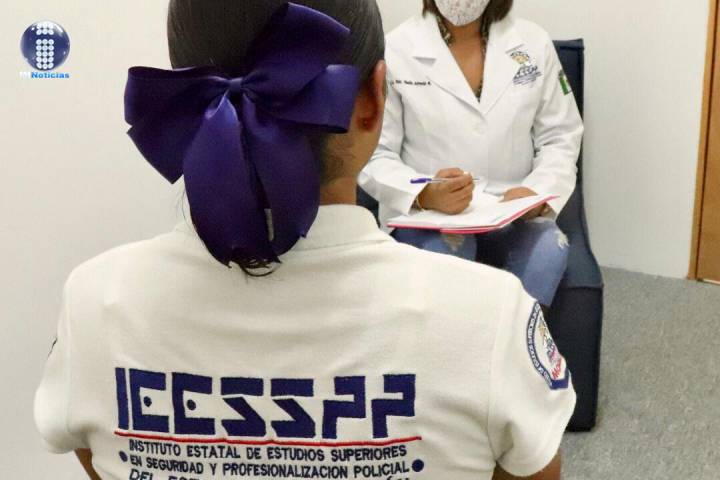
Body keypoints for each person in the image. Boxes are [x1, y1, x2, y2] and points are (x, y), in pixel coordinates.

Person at [34, 1, 575, 479]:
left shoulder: (93, 305)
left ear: (184, 96)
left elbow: (96, 455)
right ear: (373, 99)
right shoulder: (490, 319)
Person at [359, 0, 584, 308]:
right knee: (446, 261)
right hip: (429, 217)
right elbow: (374, 152)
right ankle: (461, 338)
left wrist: (537, 193)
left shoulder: (533, 44)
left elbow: (561, 135)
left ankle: (517, 335)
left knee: (547, 250)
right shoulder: (396, 50)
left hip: (513, 213)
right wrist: (424, 193)